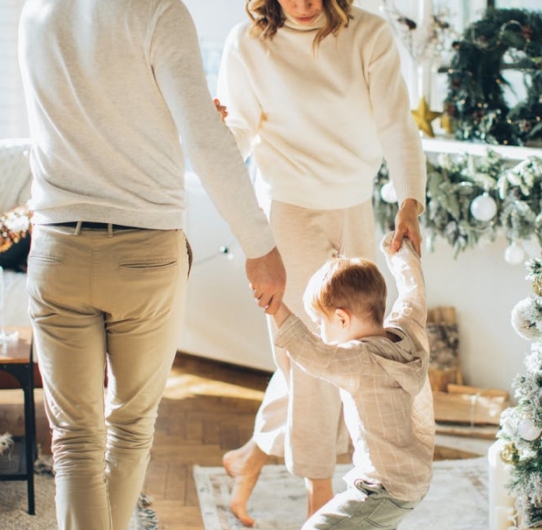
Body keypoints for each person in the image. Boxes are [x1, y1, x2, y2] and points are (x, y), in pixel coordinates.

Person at [17, 1, 285, 529]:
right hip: (145, 250)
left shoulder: (36, 13)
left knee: (74, 440)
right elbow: (205, 141)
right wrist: (260, 245)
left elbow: (70, 119)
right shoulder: (159, 11)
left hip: (58, 248)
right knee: (130, 428)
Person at [216, 0, 427, 525]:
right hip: (288, 210)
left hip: (355, 202)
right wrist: (213, 130)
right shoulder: (248, 43)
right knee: (314, 360)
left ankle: (252, 456)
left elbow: (396, 123)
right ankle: (320, 489)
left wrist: (409, 200)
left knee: (356, 344)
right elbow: (238, 131)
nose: (304, 5)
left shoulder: (369, 35)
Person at [269, 232, 434, 529]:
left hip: (382, 489)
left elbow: (314, 355)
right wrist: (400, 253)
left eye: (321, 323)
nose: (320, 333)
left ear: (343, 319)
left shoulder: (360, 360)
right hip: (412, 477)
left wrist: (276, 308)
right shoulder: (406, 333)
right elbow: (413, 294)